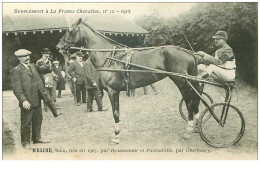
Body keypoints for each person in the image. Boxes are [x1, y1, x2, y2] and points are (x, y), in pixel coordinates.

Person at [10, 49, 61, 149]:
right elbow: (17, 88)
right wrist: (23, 100)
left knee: (38, 119)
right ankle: (25, 143)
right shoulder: (16, 70)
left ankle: (37, 138)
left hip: (37, 98)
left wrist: (47, 62)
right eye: (24, 56)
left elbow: (46, 70)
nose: (27, 58)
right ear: (19, 58)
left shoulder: (33, 66)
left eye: (28, 56)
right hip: (27, 100)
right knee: (26, 122)